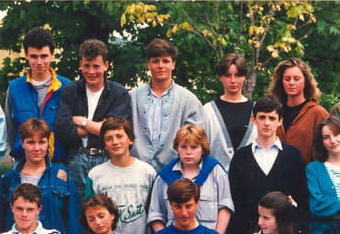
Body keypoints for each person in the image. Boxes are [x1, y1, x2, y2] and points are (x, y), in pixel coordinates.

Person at [228, 95, 309, 234]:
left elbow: (302, 199)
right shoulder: (240, 157)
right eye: (262, 117)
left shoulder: (293, 156)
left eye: (272, 118)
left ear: (280, 121)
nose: (266, 123)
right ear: (253, 119)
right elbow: (234, 199)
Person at [55, 38, 132, 196]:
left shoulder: (119, 93)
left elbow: (115, 131)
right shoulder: (70, 91)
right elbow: (63, 130)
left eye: (96, 66)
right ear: (80, 64)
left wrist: (82, 122)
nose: (91, 72)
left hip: (107, 158)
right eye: (86, 66)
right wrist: (100, 126)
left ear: (106, 65)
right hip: (76, 158)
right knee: (77, 206)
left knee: (107, 205)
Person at [2, 117, 82, 234]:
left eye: (42, 142)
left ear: (48, 142)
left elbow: (73, 220)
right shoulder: (10, 179)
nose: (37, 148)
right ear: (22, 143)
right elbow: (2, 221)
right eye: (31, 142)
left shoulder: (61, 176)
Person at [130, 38, 206, 171]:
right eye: (155, 61)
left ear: (173, 64)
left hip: (175, 171)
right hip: (136, 170)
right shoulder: (132, 97)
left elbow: (197, 139)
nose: (161, 66)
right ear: (148, 64)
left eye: (165, 61)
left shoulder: (189, 100)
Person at [86, 116, 158, 234]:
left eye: (120, 136)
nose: (115, 142)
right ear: (104, 144)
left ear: (130, 139)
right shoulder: (95, 175)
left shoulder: (148, 172)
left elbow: (155, 212)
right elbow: (90, 214)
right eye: (109, 138)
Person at [148, 124, 233, 234]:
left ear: (203, 149)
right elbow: (156, 214)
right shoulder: (164, 176)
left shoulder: (216, 171)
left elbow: (225, 206)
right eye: (183, 147)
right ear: (177, 148)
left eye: (194, 147)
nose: (188, 152)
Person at [4, 27, 71, 165]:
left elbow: (71, 129)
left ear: (52, 54)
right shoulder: (14, 88)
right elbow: (10, 129)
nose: (39, 62)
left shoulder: (67, 88)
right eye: (34, 56)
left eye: (44, 56)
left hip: (59, 164)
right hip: (23, 163)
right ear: (26, 55)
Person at [269, 57, 329, 165]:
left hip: (306, 174)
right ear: (281, 82)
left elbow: (326, 152)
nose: (291, 83)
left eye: (296, 79)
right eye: (287, 79)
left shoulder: (318, 113)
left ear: (305, 81)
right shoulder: (272, 113)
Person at [202, 53, 256, 170]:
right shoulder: (208, 111)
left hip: (250, 178)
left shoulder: (257, 111)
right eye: (227, 75)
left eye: (237, 75)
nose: (233, 80)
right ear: (221, 77)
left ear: (244, 77)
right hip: (214, 177)